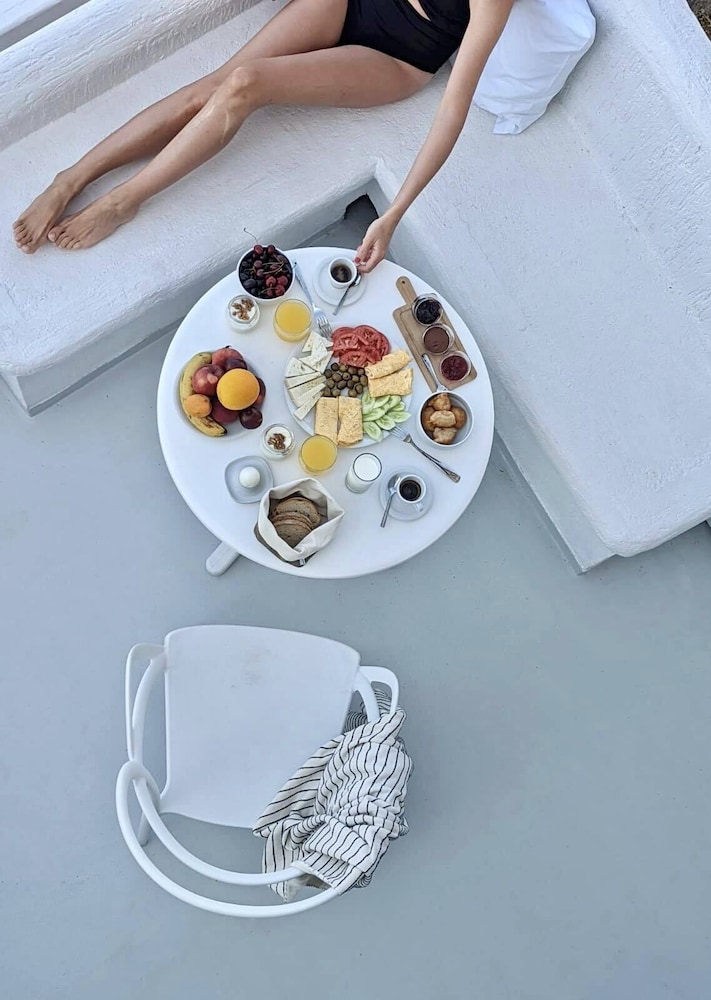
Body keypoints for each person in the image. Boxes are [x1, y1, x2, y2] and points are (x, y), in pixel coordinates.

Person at [12, 0, 513, 270]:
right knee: (211, 86)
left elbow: (452, 110)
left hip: (398, 56)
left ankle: (125, 199)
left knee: (246, 84)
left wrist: (394, 215)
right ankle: (69, 179)